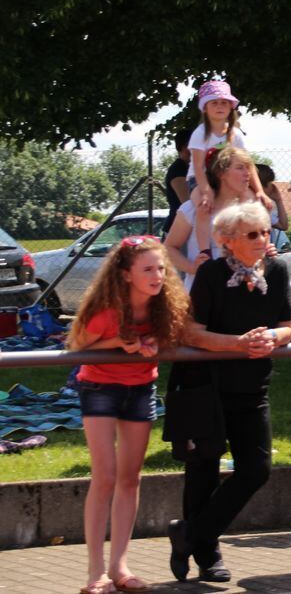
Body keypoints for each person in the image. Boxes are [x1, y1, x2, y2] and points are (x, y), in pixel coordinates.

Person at [167, 202, 291, 583]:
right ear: (227, 240)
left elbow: (287, 326)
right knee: (202, 469)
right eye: (252, 234)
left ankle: (190, 533)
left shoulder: (277, 270)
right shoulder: (209, 273)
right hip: (206, 385)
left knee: (257, 469)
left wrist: (269, 338)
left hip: (253, 385)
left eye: (265, 232)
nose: (262, 240)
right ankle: (207, 554)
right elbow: (191, 332)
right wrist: (237, 344)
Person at [69, 237, 189, 594]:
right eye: (148, 269)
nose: (158, 276)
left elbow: (171, 339)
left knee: (130, 478)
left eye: (161, 269)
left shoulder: (163, 306)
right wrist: (118, 343)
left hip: (140, 389)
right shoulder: (106, 309)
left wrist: (153, 346)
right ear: (125, 275)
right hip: (100, 389)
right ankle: (95, 573)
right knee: (104, 476)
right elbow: (77, 346)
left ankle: (120, 566)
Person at [186, 80, 271, 256]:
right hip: (200, 179)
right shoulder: (200, 133)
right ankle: (205, 250)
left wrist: (260, 191)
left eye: (224, 102)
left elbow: (248, 164)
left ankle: (258, 243)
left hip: (228, 178)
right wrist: (206, 190)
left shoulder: (236, 134)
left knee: (252, 201)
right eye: (214, 103)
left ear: (231, 107)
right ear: (204, 108)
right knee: (203, 206)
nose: (220, 106)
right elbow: (198, 166)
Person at [164, 145, 257, 291]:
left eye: (248, 168)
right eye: (240, 168)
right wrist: (192, 267)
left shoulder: (250, 211)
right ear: (221, 173)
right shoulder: (192, 209)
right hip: (202, 295)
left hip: (241, 296)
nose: (247, 174)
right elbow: (169, 248)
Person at [163, 129, 193, 235]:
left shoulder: (194, 168)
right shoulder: (178, 169)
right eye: (188, 146)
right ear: (181, 148)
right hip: (177, 230)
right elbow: (187, 201)